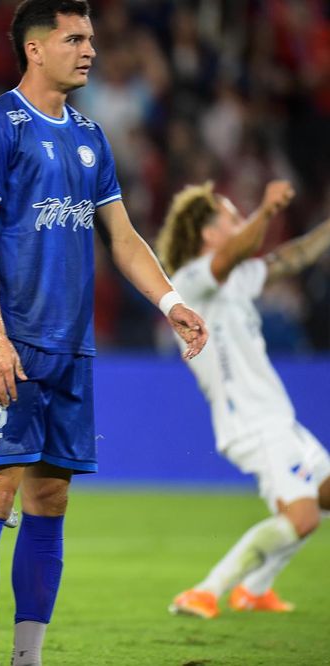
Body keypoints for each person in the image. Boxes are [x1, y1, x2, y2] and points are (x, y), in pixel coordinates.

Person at [0, 2, 209, 665]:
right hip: (9, 343)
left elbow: (122, 238)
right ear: (35, 49)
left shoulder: (91, 134)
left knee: (51, 496)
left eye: (90, 37)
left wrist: (169, 300)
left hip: (72, 349)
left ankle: (27, 657)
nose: (90, 49)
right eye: (75, 37)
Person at [158, 180, 330, 619]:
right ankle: (205, 591)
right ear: (207, 234)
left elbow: (291, 257)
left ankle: (256, 588)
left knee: (325, 495)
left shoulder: (237, 278)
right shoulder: (189, 282)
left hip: (278, 417)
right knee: (302, 516)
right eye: (231, 217)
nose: (240, 222)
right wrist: (268, 211)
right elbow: (232, 256)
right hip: (251, 421)